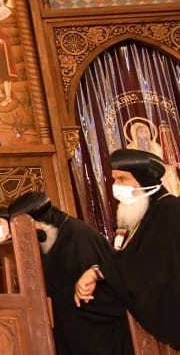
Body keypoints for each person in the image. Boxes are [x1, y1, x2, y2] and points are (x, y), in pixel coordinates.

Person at [74, 148, 180, 347]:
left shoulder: (169, 209)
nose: (116, 186)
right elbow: (125, 256)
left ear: (143, 180)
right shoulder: (138, 210)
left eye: (122, 179)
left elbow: (152, 263)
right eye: (114, 179)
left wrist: (98, 273)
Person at [4, 190, 132, 355]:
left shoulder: (78, 236)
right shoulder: (52, 236)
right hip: (69, 327)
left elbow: (99, 293)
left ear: (40, 223)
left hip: (98, 332)